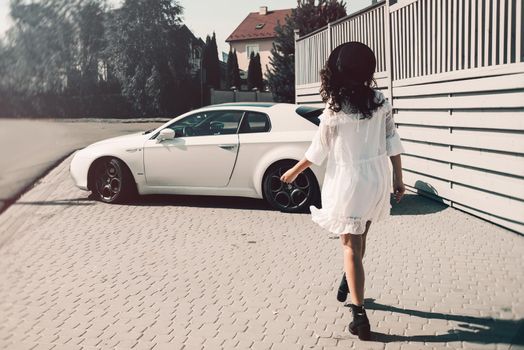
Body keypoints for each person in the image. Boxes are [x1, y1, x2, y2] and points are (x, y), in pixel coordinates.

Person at [280, 41, 405, 341]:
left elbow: (318, 150)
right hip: (376, 179)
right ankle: (349, 279)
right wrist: (398, 179)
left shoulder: (335, 107)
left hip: (349, 180)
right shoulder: (380, 101)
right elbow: (392, 141)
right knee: (360, 238)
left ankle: (359, 316)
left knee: (350, 245)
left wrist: (294, 171)